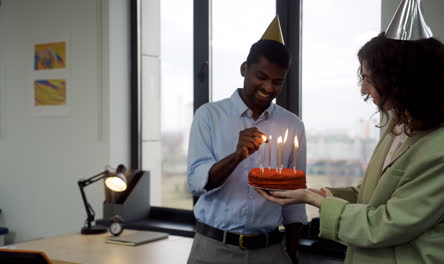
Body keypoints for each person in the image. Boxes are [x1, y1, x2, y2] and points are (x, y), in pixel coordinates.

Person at [257, 31, 444, 263]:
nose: (363, 90)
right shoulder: (399, 125)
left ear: (400, 79)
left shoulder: (438, 150)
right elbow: (373, 195)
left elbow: (385, 224)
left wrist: (316, 201)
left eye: (369, 79)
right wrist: (325, 194)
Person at [187, 16, 307, 264]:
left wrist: (292, 253)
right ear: (244, 69)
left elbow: (294, 199)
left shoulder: (292, 125)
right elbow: (197, 183)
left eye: (277, 81)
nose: (268, 87)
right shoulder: (209, 116)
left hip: (270, 251)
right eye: (261, 76)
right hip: (213, 250)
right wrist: (236, 156)